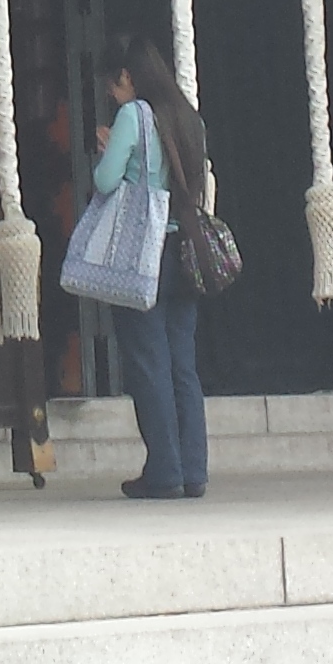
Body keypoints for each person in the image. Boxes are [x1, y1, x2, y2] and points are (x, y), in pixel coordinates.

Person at [87, 32, 210, 500]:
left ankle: (164, 469)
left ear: (127, 75)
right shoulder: (188, 116)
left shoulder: (133, 116)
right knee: (183, 363)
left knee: (148, 360)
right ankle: (193, 468)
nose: (111, 93)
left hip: (144, 250)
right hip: (185, 247)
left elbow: (106, 181)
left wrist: (107, 151)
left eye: (112, 83)